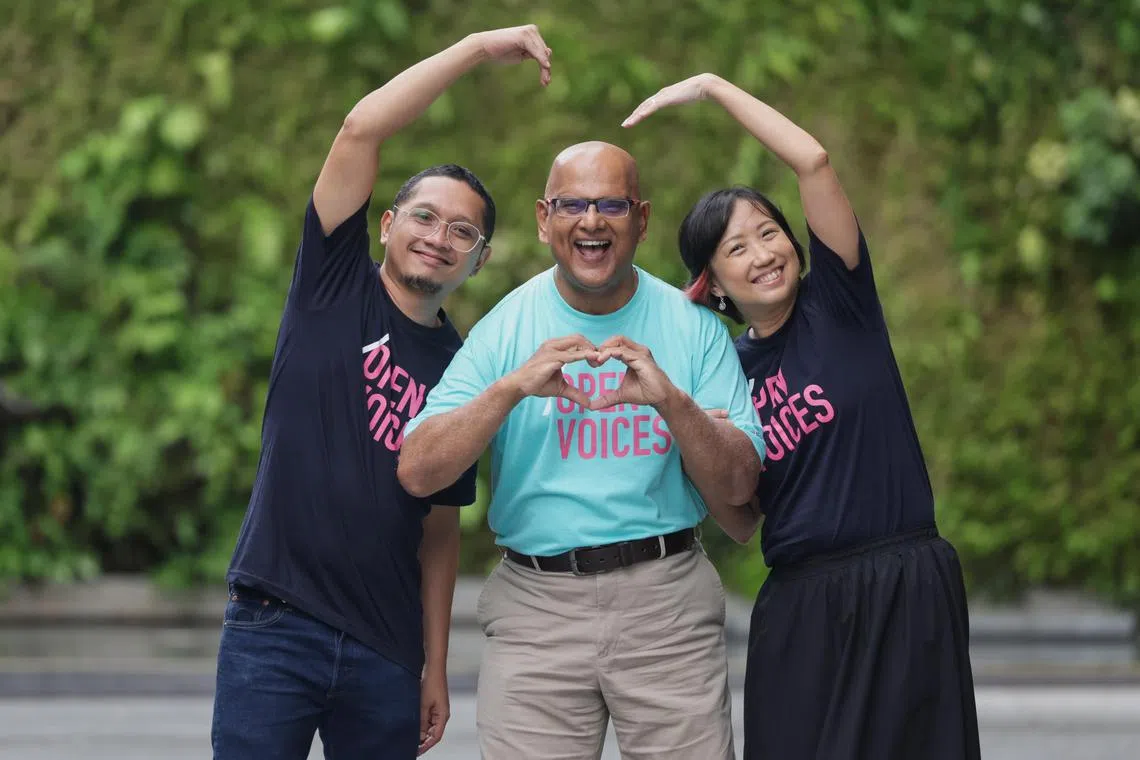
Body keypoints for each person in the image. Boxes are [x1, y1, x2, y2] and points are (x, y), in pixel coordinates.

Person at [210, 24, 554, 760]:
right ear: (389, 224)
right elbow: (362, 126)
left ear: (480, 260)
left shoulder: (466, 366)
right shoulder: (332, 287)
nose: (439, 237)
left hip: (386, 651)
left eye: (463, 232)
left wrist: (433, 664)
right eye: (425, 217)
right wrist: (474, 49)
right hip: (276, 623)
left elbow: (439, 531)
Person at [622, 73, 982, 759]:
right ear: (713, 285)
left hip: (904, 581)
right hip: (802, 604)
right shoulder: (721, 370)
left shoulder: (840, 304)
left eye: (769, 232)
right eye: (736, 249)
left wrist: (712, 88)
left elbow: (811, 161)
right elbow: (739, 518)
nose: (762, 254)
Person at [397, 141, 766, 759]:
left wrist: (671, 402)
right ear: (545, 219)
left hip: (666, 605)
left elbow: (740, 489)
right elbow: (417, 469)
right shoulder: (506, 327)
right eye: (572, 204)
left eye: (612, 205)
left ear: (641, 220)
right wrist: (512, 387)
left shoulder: (694, 326)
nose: (591, 221)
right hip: (535, 611)